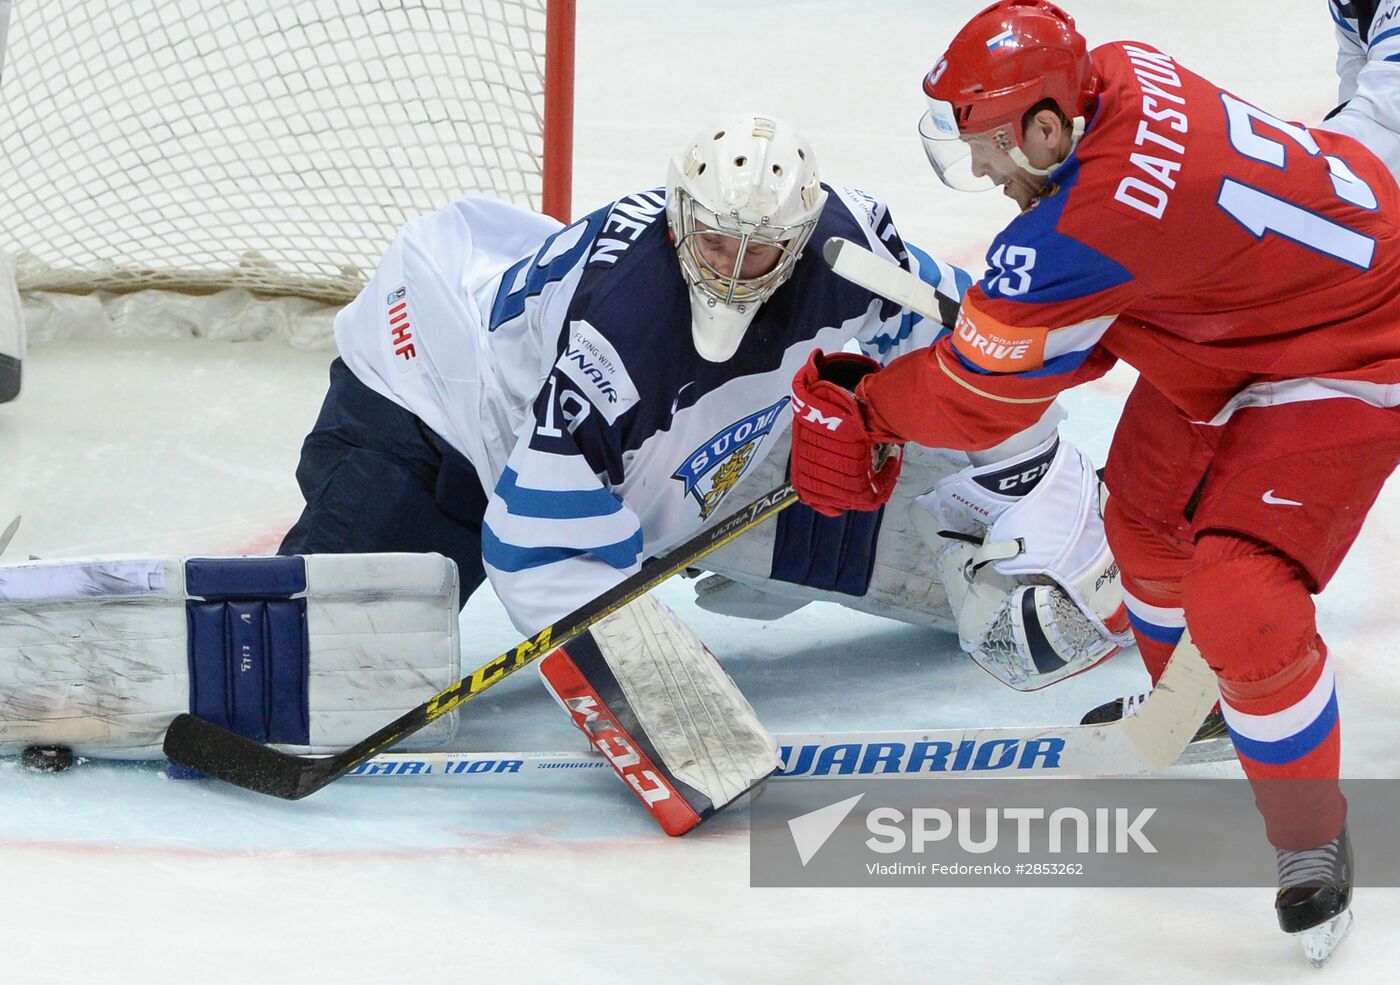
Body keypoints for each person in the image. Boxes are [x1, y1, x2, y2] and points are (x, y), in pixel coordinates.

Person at [277, 111, 1125, 831]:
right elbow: (538, 545)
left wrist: (1022, 481)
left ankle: (1131, 534)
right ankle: (260, 636)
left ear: (803, 233)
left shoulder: (850, 242)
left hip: (696, 442)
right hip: (446, 407)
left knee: (1007, 559)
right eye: (715, 241)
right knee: (320, 680)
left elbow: (978, 343)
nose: (731, 265)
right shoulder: (625, 331)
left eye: (760, 251)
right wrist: (661, 708)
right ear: (680, 216)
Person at [785, 0, 1400, 961]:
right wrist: (1024, 327)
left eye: (988, 145)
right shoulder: (1111, 71)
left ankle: (1310, 838)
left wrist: (870, 407)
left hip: (1354, 344)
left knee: (1242, 599)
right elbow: (1102, 313)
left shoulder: (1085, 223)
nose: (982, 170)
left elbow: (980, 400)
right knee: (1144, 519)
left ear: (1043, 124)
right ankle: (1191, 708)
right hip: (1243, 316)